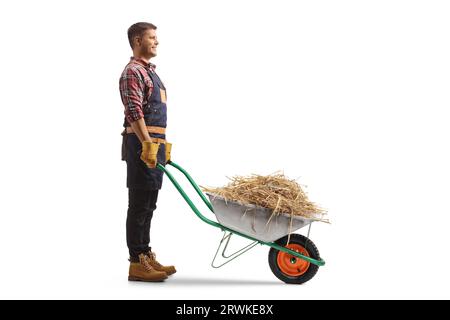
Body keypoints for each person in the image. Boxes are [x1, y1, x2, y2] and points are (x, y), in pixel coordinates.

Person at [119, 22, 176, 282]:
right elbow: (134, 112)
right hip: (142, 146)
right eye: (152, 37)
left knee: (149, 205)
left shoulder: (151, 73)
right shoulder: (133, 72)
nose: (157, 42)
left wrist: (163, 144)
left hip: (154, 145)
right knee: (140, 204)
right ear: (138, 40)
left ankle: (145, 254)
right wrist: (147, 143)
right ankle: (136, 261)